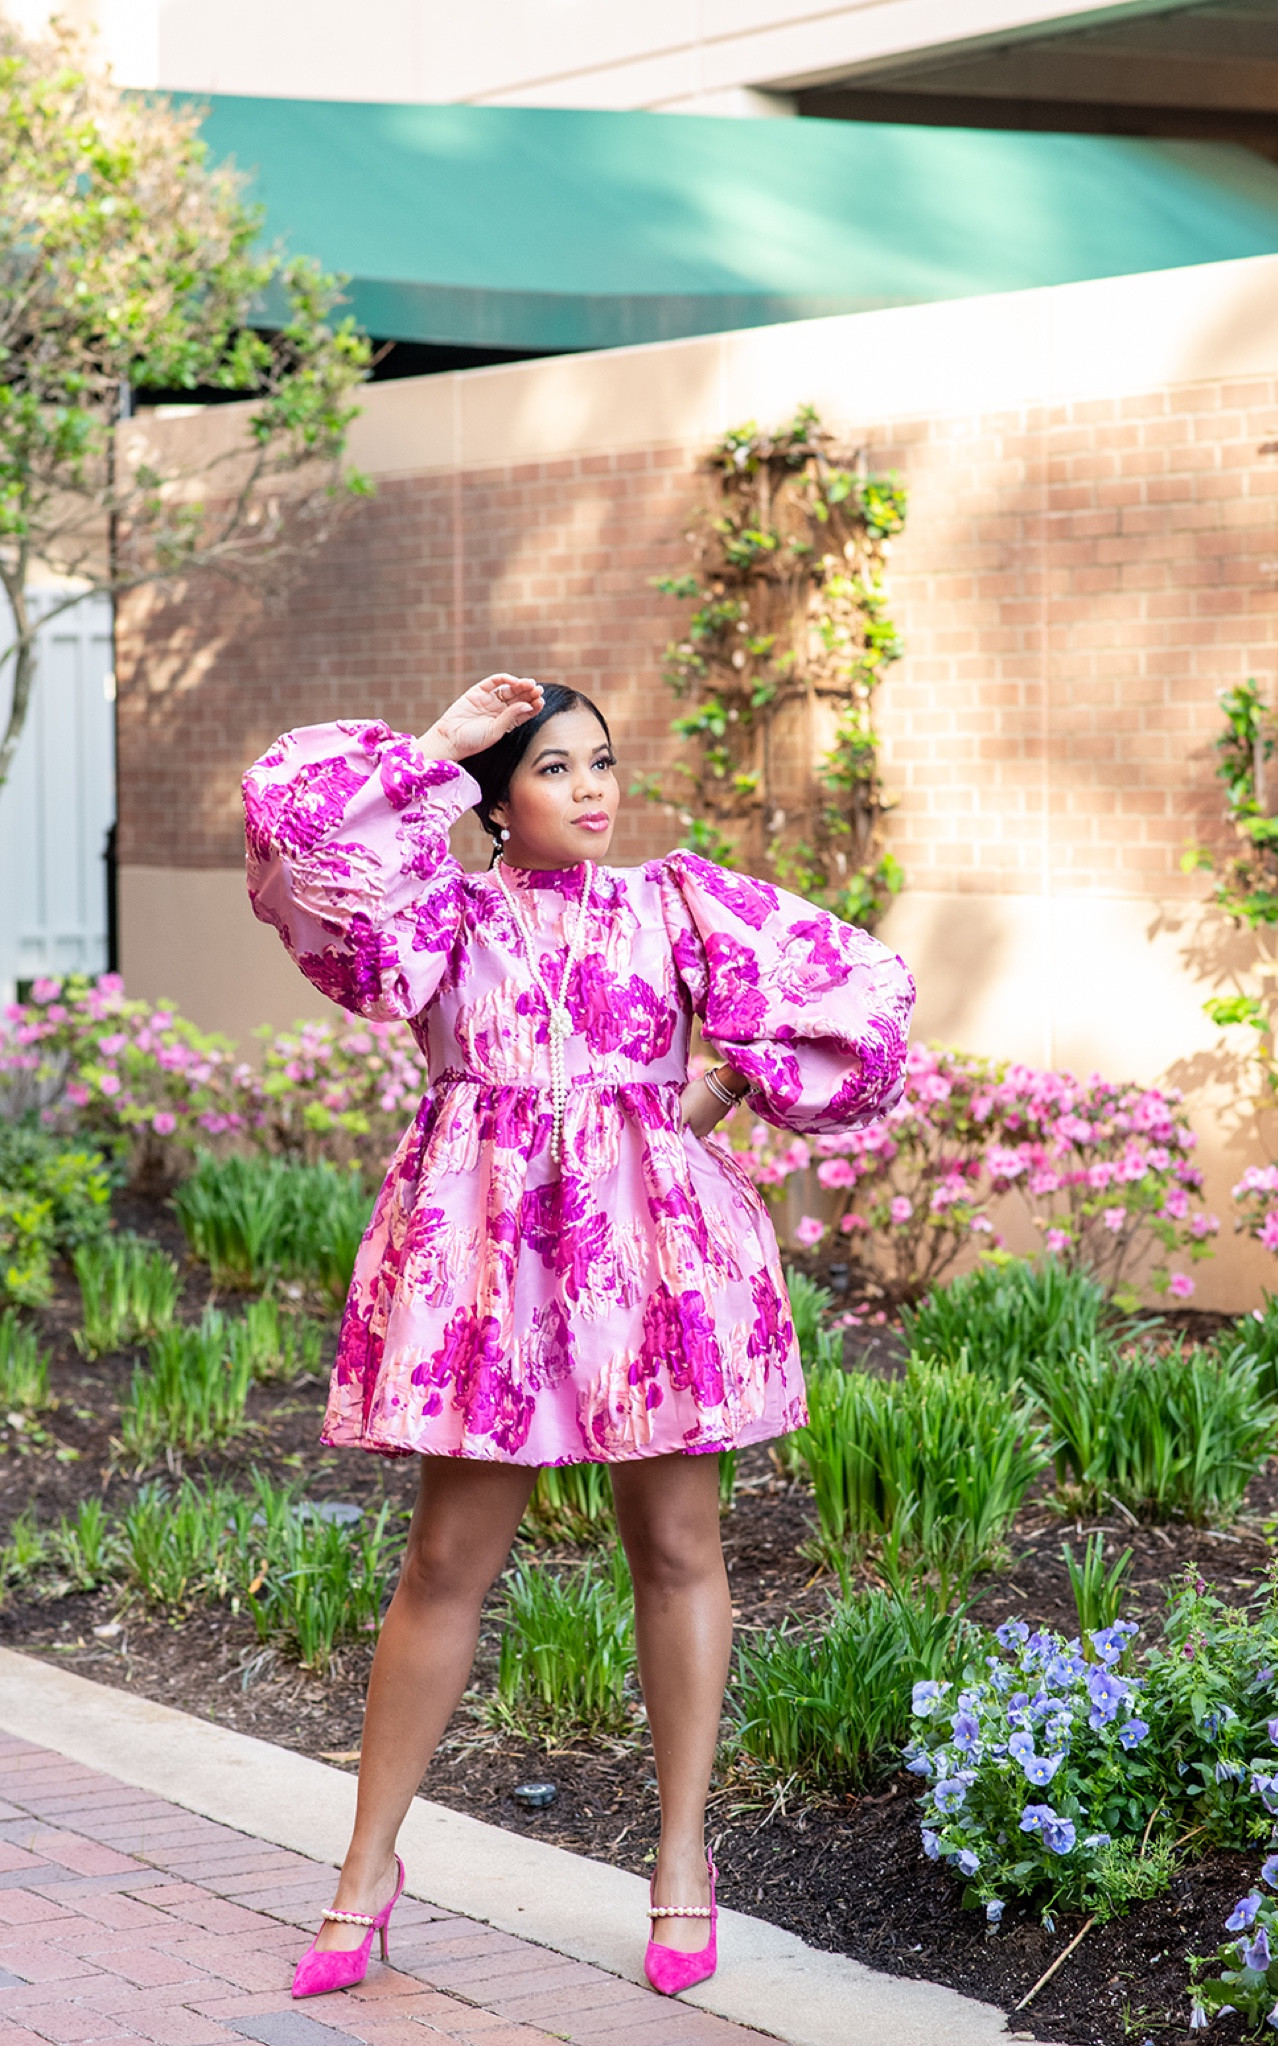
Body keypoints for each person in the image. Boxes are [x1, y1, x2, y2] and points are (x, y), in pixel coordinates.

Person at [241, 673, 915, 2002]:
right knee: (445, 1558)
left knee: (675, 1546)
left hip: (649, 1260)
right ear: (493, 800)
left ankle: (680, 1861)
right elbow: (294, 841)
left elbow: (855, 992)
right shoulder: (436, 918)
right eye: (555, 767)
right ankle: (367, 1871)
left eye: (602, 760)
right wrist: (432, 749)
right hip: (488, 1268)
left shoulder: (673, 899)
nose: (595, 787)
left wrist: (700, 1098)